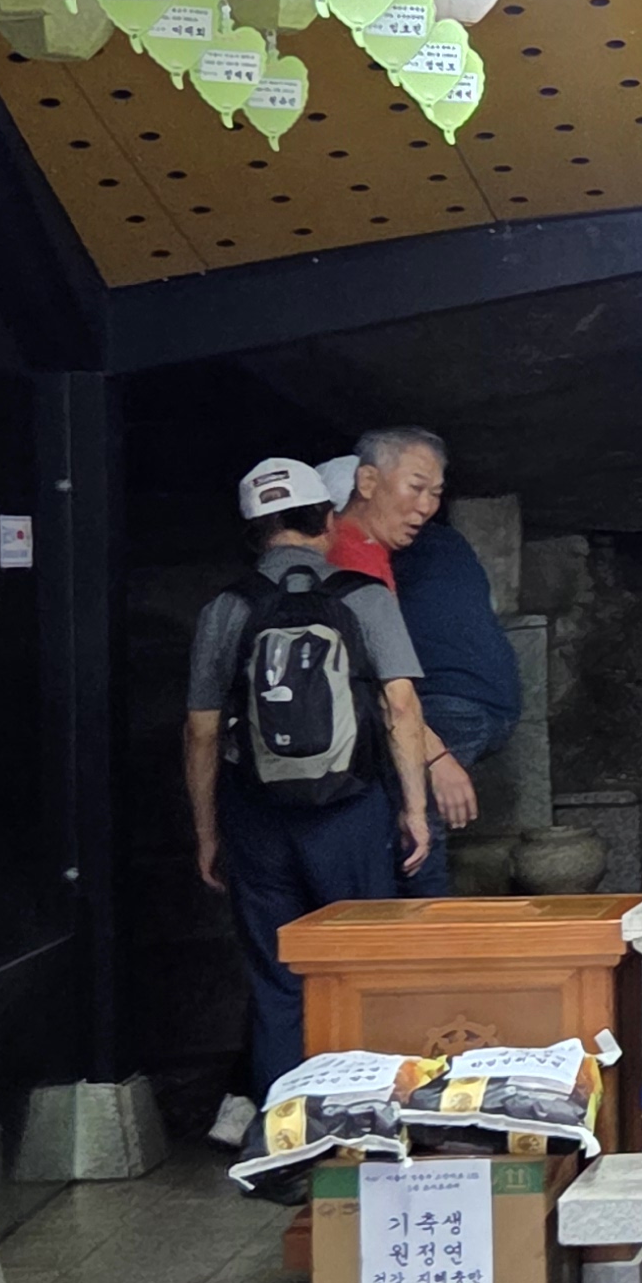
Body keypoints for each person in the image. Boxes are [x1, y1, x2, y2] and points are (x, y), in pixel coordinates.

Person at [186, 457, 434, 1129]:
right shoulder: (363, 597)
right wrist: (414, 809)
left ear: (255, 534)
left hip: (257, 815)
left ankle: (286, 1137)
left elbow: (201, 731)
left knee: (277, 981)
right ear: (327, 519)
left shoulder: (226, 608)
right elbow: (401, 706)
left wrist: (208, 833)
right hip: (350, 810)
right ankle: (370, 1127)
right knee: (364, 970)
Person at [326, 427, 519, 896]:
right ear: (366, 482)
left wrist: (433, 755)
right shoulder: (354, 556)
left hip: (444, 704)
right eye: (416, 487)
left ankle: (421, 928)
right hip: (488, 702)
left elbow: (383, 681)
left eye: (435, 493)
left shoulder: (378, 554)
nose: (428, 505)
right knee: (404, 822)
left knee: (410, 823)